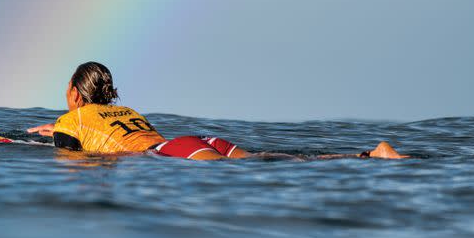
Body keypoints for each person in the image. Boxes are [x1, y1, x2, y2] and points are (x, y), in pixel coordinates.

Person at [28, 62, 408, 160]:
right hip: (190, 140)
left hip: (164, 154)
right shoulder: (125, 109)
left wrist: (51, 133)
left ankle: (372, 156)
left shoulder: (72, 119)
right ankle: (370, 155)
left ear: (76, 94)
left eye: (66, 89)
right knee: (271, 159)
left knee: (257, 166)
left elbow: (70, 153)